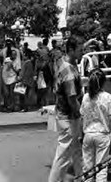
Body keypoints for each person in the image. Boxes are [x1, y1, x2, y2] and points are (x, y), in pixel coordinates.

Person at [48, 37, 83, 182]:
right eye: (80, 50)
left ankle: (83, 177)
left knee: (76, 151)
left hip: (63, 114)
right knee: (63, 156)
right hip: (69, 117)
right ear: (71, 50)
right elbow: (72, 99)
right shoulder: (69, 70)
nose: (82, 53)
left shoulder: (62, 62)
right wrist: (81, 116)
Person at [80, 68, 111, 182]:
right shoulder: (108, 97)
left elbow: (82, 116)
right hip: (102, 134)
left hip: (88, 133)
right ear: (103, 82)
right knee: (101, 168)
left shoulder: (86, 97)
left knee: (87, 167)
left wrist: (81, 134)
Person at [1, 40, 21, 112]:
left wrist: (12, 66)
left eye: (15, 54)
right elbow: (4, 67)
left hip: (13, 78)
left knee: (12, 93)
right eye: (13, 54)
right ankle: (7, 105)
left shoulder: (17, 61)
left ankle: (11, 107)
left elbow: (18, 70)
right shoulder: (7, 59)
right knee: (6, 93)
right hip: (5, 77)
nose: (14, 55)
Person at [18, 47, 36, 111]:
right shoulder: (29, 63)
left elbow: (26, 73)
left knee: (24, 95)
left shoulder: (27, 63)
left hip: (25, 81)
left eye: (24, 54)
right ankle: (25, 107)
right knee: (25, 95)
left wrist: (21, 78)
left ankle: (25, 107)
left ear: (26, 55)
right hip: (27, 81)